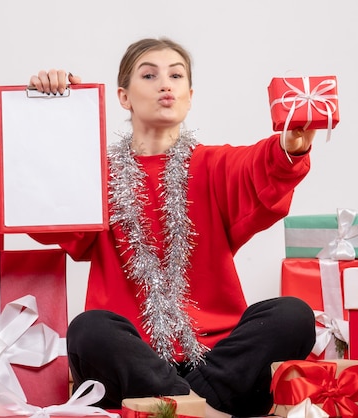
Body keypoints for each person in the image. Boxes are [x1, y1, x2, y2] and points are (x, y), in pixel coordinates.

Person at [28, 37, 317, 418]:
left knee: (293, 315)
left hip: (220, 358)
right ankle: (209, 410)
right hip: (133, 361)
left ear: (189, 95)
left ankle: (183, 407)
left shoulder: (215, 165)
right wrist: (55, 110)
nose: (166, 84)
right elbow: (45, 199)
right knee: (89, 330)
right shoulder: (94, 175)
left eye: (176, 75)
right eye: (149, 75)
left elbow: (260, 166)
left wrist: (290, 147)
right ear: (123, 97)